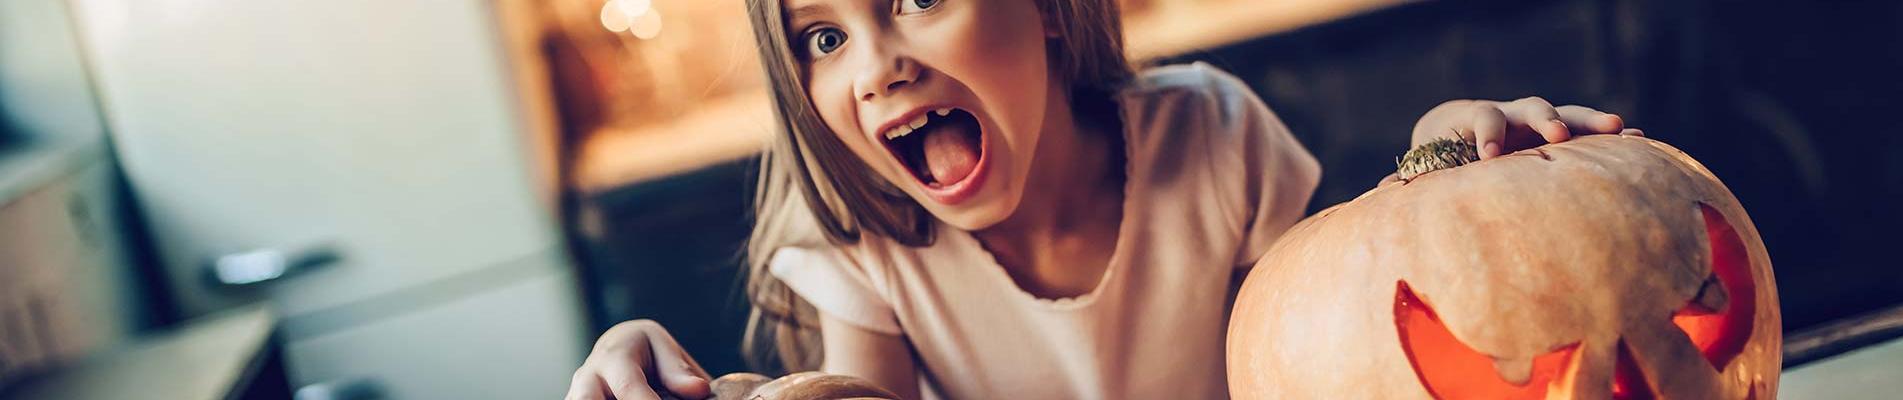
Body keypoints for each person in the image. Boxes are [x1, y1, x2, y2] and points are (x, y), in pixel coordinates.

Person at [565, 0, 1639, 398]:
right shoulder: (857, 243)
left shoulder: (1206, 133)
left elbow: (1347, 339)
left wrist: (1437, 167)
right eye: (823, 36)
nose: (876, 65)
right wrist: (652, 365)